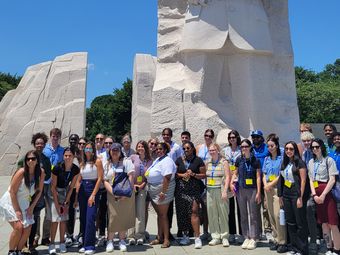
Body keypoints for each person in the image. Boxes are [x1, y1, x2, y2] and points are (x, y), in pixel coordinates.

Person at [0, 150, 45, 255]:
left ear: (37, 161)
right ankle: (11, 252)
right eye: (28, 159)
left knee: (28, 227)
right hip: (11, 202)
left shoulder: (41, 173)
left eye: (33, 158)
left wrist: (31, 207)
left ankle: (19, 250)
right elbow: (12, 191)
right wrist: (17, 210)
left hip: (25, 202)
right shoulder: (21, 172)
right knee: (18, 227)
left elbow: (39, 191)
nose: (30, 161)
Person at [308, 139, 340, 254]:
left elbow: (332, 179)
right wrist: (315, 195)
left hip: (327, 193)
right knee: (323, 223)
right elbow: (311, 180)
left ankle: (337, 249)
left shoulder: (329, 160)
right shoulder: (311, 162)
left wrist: (323, 195)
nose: (315, 149)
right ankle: (329, 247)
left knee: (333, 223)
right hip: (317, 195)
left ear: (322, 147)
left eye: (317, 146)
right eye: (313, 147)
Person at [102, 143, 135, 252]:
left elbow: (131, 177)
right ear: (109, 152)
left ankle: (121, 240)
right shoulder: (107, 164)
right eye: (112, 150)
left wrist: (126, 194)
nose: (114, 152)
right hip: (112, 194)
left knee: (123, 217)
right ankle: (110, 240)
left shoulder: (126, 162)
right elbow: (105, 181)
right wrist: (113, 193)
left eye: (117, 150)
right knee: (113, 217)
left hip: (125, 194)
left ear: (120, 151)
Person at [278, 141, 309, 255]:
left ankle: (302, 248)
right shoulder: (285, 163)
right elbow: (281, 180)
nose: (288, 151)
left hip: (296, 194)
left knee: (300, 222)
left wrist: (300, 197)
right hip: (286, 194)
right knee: (290, 221)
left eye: (291, 149)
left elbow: (303, 181)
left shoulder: (300, 163)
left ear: (295, 150)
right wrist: (280, 195)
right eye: (286, 149)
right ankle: (293, 247)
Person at [230, 139, 261, 250]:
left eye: (246, 146)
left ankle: (254, 237)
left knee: (253, 214)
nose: (244, 148)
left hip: (252, 189)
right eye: (242, 147)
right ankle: (246, 236)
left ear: (250, 147)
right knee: (243, 214)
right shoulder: (239, 159)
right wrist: (231, 183)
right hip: (241, 189)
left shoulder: (255, 159)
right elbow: (235, 173)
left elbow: (258, 176)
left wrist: (258, 192)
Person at [48, 147, 80, 254]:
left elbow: (71, 187)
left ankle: (62, 243)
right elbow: (53, 187)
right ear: (63, 156)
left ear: (73, 157)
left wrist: (66, 202)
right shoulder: (57, 168)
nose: (67, 158)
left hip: (65, 192)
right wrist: (57, 204)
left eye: (70, 156)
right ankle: (52, 243)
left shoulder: (76, 169)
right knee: (55, 219)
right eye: (66, 155)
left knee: (63, 219)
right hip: (54, 193)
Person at [175, 141, 206, 249]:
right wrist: (182, 174)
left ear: (192, 149)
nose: (186, 150)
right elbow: (174, 173)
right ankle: (185, 235)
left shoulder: (198, 160)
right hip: (181, 190)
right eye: (184, 148)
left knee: (194, 211)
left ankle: (197, 238)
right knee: (182, 213)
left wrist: (194, 174)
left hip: (194, 189)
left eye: (188, 148)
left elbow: (203, 175)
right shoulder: (179, 160)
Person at [24, 133, 51, 255]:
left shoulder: (45, 159)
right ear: (34, 144)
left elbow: (48, 175)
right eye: (37, 143)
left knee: (34, 217)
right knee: (25, 219)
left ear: (44, 144)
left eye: (41, 143)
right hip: (25, 193)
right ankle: (23, 244)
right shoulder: (27, 157)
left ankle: (31, 244)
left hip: (38, 192)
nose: (39, 145)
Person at [147, 142, 176, 248]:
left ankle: (166, 240)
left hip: (163, 191)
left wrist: (163, 192)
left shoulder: (167, 161)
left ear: (165, 150)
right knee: (160, 215)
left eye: (161, 149)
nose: (158, 150)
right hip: (155, 190)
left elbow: (167, 177)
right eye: (157, 149)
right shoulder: (158, 159)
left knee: (163, 216)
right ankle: (159, 237)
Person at [262, 135, 287, 253]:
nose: (270, 148)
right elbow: (263, 173)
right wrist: (265, 185)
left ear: (276, 146)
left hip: (277, 189)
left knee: (278, 215)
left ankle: (282, 241)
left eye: (272, 146)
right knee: (271, 215)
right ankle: (276, 239)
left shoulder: (281, 159)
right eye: (268, 146)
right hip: (267, 189)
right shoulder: (267, 159)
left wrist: (270, 184)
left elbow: (280, 175)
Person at [77, 142, 104, 254]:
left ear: (93, 150)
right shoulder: (82, 162)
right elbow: (79, 179)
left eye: (90, 148)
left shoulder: (97, 161)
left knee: (90, 218)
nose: (87, 150)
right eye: (86, 148)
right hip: (82, 190)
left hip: (92, 189)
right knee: (83, 218)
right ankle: (84, 243)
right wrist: (76, 196)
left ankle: (90, 246)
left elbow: (100, 178)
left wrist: (93, 195)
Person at [205, 143, 231, 247]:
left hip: (220, 190)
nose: (212, 152)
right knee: (212, 214)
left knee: (223, 214)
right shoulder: (208, 162)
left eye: (214, 150)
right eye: (210, 150)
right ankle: (215, 236)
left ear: (218, 150)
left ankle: (224, 237)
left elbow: (228, 177)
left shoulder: (224, 162)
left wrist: (225, 191)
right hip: (210, 190)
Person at [42, 128, 64, 246]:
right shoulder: (45, 150)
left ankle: (47, 237)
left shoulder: (62, 151)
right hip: (44, 183)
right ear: (50, 137)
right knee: (41, 210)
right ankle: (40, 236)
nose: (55, 138)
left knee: (50, 210)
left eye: (57, 136)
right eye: (53, 136)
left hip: (55, 183)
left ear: (59, 138)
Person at [128, 140, 152, 245]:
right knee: (131, 212)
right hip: (132, 187)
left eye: (142, 146)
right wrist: (132, 184)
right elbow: (127, 170)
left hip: (142, 188)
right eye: (138, 146)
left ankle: (140, 234)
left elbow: (149, 175)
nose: (140, 148)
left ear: (145, 148)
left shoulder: (150, 160)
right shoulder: (133, 157)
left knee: (140, 212)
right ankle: (131, 236)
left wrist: (144, 184)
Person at [221, 130, 242, 243]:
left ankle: (242, 233)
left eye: (234, 137)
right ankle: (232, 233)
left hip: (238, 180)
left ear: (237, 138)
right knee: (230, 209)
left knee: (240, 208)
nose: (232, 139)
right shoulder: (225, 150)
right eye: (230, 137)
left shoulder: (241, 149)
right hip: (228, 180)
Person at [161, 128, 181, 239]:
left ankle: (168, 231)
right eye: (164, 134)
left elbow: (179, 161)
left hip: (172, 179)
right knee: (162, 206)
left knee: (169, 206)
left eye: (168, 135)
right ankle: (162, 232)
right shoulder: (160, 147)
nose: (166, 136)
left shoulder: (176, 147)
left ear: (171, 135)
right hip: (161, 179)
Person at [96, 136, 114, 247]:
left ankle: (110, 237)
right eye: (106, 143)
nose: (108, 145)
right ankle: (102, 235)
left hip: (113, 188)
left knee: (112, 214)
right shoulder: (100, 156)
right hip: (103, 188)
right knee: (102, 213)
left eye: (110, 143)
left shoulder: (117, 154)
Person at [65, 134, 81, 247]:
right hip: (68, 187)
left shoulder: (81, 154)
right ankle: (69, 234)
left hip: (80, 187)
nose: (73, 142)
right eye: (71, 140)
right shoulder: (66, 153)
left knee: (80, 213)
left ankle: (80, 234)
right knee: (69, 212)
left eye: (75, 140)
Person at [329, 132, 340, 216]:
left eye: (338, 138)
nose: (337, 140)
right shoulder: (332, 152)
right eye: (335, 139)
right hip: (334, 182)